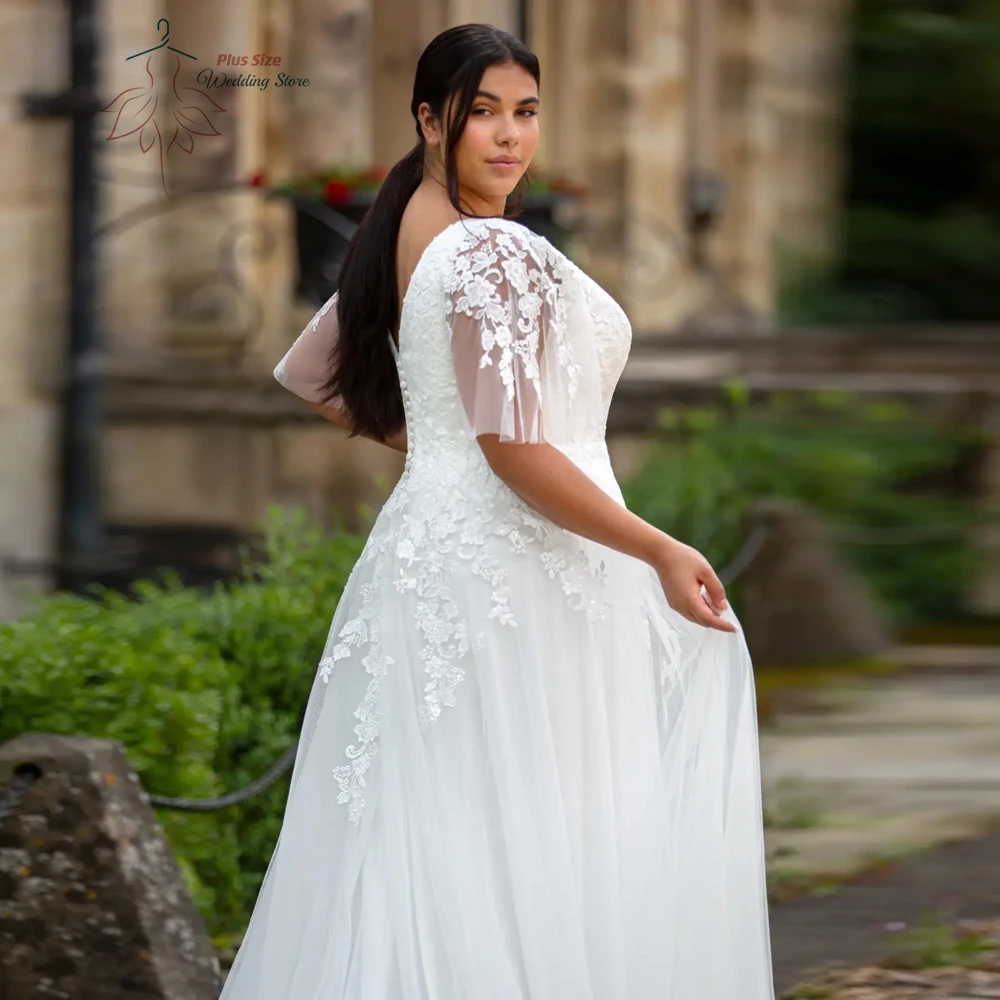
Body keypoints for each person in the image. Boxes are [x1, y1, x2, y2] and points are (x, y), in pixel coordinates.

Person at [220, 22, 775, 1000]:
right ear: (430, 122)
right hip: (520, 563)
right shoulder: (486, 252)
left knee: (439, 830)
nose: (510, 137)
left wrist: (435, 441)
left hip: (437, 548)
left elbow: (314, 375)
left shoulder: (407, 231)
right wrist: (656, 546)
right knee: (526, 821)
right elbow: (515, 451)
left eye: (525, 113)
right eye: (482, 114)